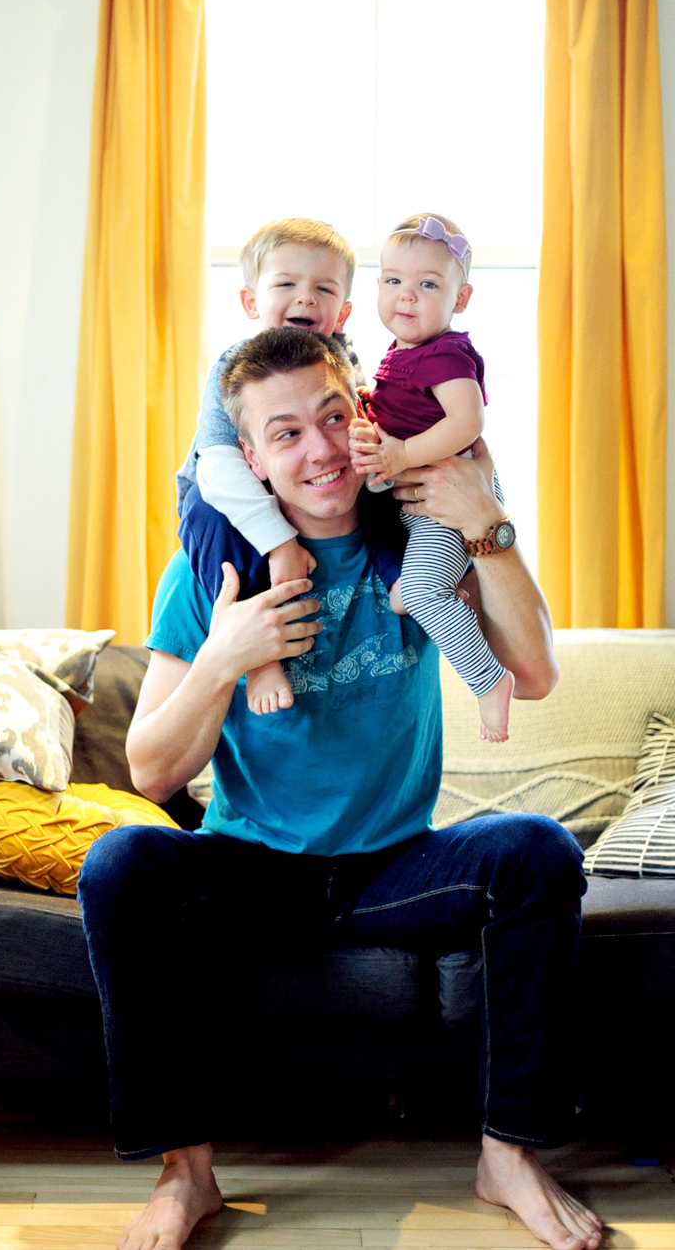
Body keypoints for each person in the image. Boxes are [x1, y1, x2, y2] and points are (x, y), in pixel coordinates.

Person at [78, 328, 603, 1250]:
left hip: (397, 867)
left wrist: (486, 517)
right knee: (122, 861)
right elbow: (152, 769)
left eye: (331, 416)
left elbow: (534, 671)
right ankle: (184, 1173)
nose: (319, 450)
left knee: (536, 851)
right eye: (284, 434)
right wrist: (224, 658)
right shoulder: (211, 570)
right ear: (249, 460)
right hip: (253, 868)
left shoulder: (418, 543)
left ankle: (509, 1153)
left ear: (362, 416)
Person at [176, 217, 403, 719]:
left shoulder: (345, 361)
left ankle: (399, 576)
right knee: (206, 515)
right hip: (223, 494)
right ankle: (258, 659)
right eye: (285, 284)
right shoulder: (235, 368)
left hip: (316, 506)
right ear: (251, 303)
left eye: (323, 288)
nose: (305, 299)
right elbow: (218, 467)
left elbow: (368, 427)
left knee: (390, 494)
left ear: (342, 311)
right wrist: (280, 545)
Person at [348, 212, 514, 743]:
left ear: (460, 299)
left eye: (428, 285)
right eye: (394, 281)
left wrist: (401, 455)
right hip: (421, 502)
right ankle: (445, 587)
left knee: (418, 593)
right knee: (403, 591)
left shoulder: (446, 353)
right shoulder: (400, 354)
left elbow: (468, 422)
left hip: (453, 500)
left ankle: (489, 680)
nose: (407, 297)